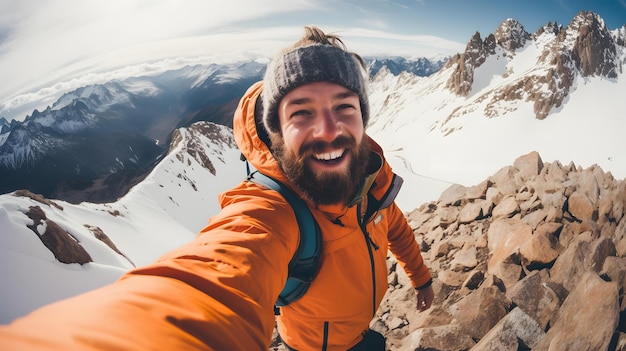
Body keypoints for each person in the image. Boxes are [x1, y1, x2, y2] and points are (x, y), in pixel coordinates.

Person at [0, 26, 433, 350]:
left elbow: (394, 226)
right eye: (301, 112)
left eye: (344, 107)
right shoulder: (272, 210)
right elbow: (213, 278)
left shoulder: (371, 182)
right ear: (276, 129)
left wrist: (421, 277)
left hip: (363, 327)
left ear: (363, 117)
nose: (328, 130)